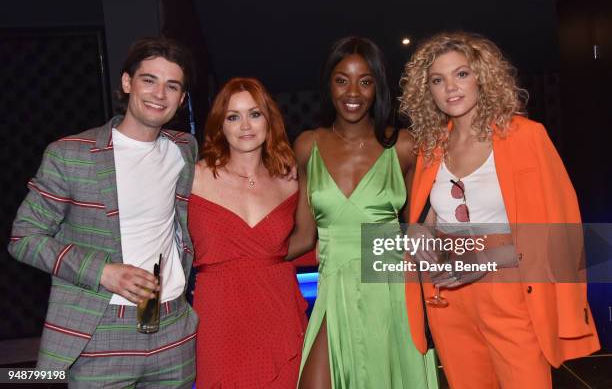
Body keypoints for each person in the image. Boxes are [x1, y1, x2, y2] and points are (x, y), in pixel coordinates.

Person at [400, 31, 600, 388]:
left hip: (511, 289)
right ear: (426, 90)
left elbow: (561, 233)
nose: (451, 87)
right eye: (437, 80)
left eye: (461, 73)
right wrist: (418, 236)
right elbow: (428, 219)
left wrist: (484, 259)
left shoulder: (526, 136)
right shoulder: (432, 147)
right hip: (448, 297)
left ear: (482, 77)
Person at [7, 37, 199, 387]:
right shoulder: (71, 154)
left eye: (172, 86)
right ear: (127, 83)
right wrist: (103, 272)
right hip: (102, 329)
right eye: (149, 80)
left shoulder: (184, 150)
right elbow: (24, 238)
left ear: (182, 98)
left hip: (174, 330)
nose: (160, 94)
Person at [288, 37, 438, 388]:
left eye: (365, 81)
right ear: (329, 85)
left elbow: (421, 227)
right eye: (342, 80)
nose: (352, 92)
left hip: (390, 285)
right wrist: (247, 255)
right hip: (333, 286)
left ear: (377, 87)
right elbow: (303, 236)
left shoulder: (403, 146)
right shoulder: (308, 145)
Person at [188, 77, 308, 388]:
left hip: (278, 309)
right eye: (233, 116)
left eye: (254, 114)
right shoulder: (194, 178)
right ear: (220, 125)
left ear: (269, 120)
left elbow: (308, 242)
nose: (245, 126)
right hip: (219, 312)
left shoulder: (289, 180)